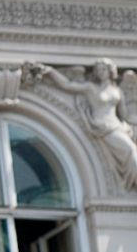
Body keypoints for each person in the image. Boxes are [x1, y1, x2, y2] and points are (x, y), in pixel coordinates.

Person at [38, 60, 137, 189]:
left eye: (103, 69)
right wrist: (50, 71)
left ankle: (131, 185)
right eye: (98, 70)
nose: (100, 72)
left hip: (116, 126)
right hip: (101, 126)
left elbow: (124, 115)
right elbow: (67, 85)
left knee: (132, 151)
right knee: (130, 151)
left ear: (110, 71)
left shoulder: (117, 91)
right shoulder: (91, 88)